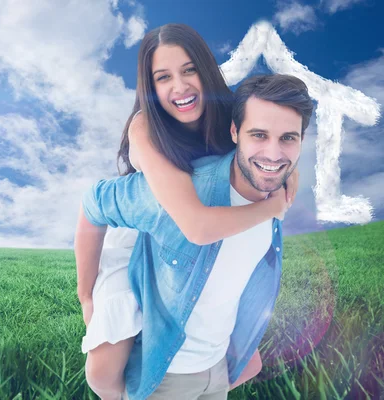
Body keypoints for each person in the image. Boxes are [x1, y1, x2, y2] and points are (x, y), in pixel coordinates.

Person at [75, 24, 297, 400]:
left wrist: (281, 166)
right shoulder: (144, 127)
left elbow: (273, 131)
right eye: (163, 77)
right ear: (150, 87)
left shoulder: (229, 110)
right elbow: (193, 224)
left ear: (206, 69)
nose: (179, 86)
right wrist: (86, 296)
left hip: (203, 227)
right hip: (145, 227)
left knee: (250, 363)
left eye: (189, 69)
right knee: (104, 365)